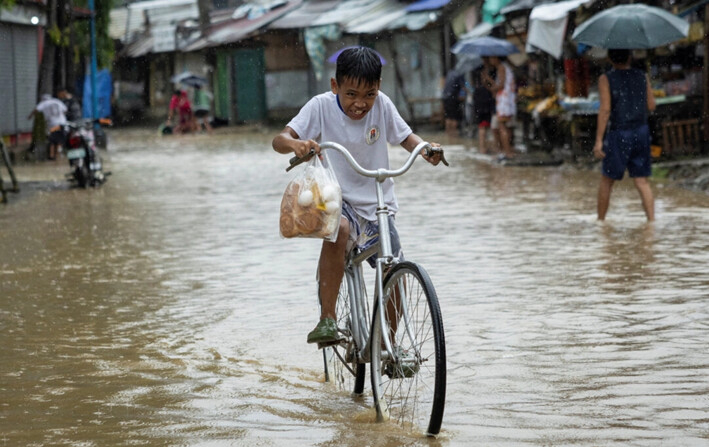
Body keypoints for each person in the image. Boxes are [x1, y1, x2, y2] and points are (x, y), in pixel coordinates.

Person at [272, 47, 442, 345]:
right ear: (334, 86)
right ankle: (327, 318)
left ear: (378, 89)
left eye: (370, 94)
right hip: (336, 198)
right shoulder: (320, 107)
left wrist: (425, 148)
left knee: (394, 269)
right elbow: (280, 139)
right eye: (351, 94)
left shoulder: (383, 105)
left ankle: (387, 346)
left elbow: (404, 136)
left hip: (379, 203)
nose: (360, 104)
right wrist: (296, 145)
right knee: (340, 232)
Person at [593, 49, 656, 222]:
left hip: (619, 133)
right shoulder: (642, 76)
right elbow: (651, 105)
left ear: (609, 59)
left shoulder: (606, 79)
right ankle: (651, 222)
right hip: (641, 131)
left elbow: (605, 110)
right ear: (630, 57)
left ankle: (601, 223)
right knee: (642, 181)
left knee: (607, 181)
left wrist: (598, 140)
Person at [482, 55, 516, 159]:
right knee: (504, 127)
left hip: (504, 102)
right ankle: (506, 151)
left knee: (502, 127)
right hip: (506, 101)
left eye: (492, 58)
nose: (490, 60)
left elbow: (500, 86)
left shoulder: (501, 67)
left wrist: (488, 80)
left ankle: (507, 152)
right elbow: (499, 86)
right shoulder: (504, 67)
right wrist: (488, 83)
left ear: (497, 58)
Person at [27, 93, 67, 160]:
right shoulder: (57, 101)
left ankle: (51, 156)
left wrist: (30, 116)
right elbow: (65, 110)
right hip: (62, 123)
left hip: (52, 125)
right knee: (59, 140)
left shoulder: (44, 103)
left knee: (52, 140)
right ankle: (57, 156)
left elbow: (36, 109)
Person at [472, 63, 496, 154]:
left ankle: (483, 148)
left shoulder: (478, 76)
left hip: (481, 104)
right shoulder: (486, 76)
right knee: (484, 128)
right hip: (484, 104)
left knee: (483, 128)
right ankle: (484, 148)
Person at [442, 71, 466, 136]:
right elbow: (463, 87)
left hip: (445, 98)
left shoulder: (450, 73)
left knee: (448, 117)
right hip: (453, 99)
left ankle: (448, 135)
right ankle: (453, 135)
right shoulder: (460, 74)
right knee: (454, 118)